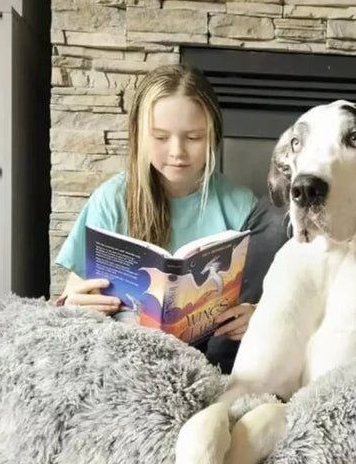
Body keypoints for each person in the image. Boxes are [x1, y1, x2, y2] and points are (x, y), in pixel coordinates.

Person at [54, 64, 268, 365]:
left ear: (214, 137)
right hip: (124, 352)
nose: (177, 151)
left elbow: (263, 298)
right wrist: (74, 303)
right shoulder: (112, 199)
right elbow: (72, 294)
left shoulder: (241, 204)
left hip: (211, 356)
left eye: (193, 137)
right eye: (160, 137)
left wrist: (256, 314)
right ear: (139, 136)